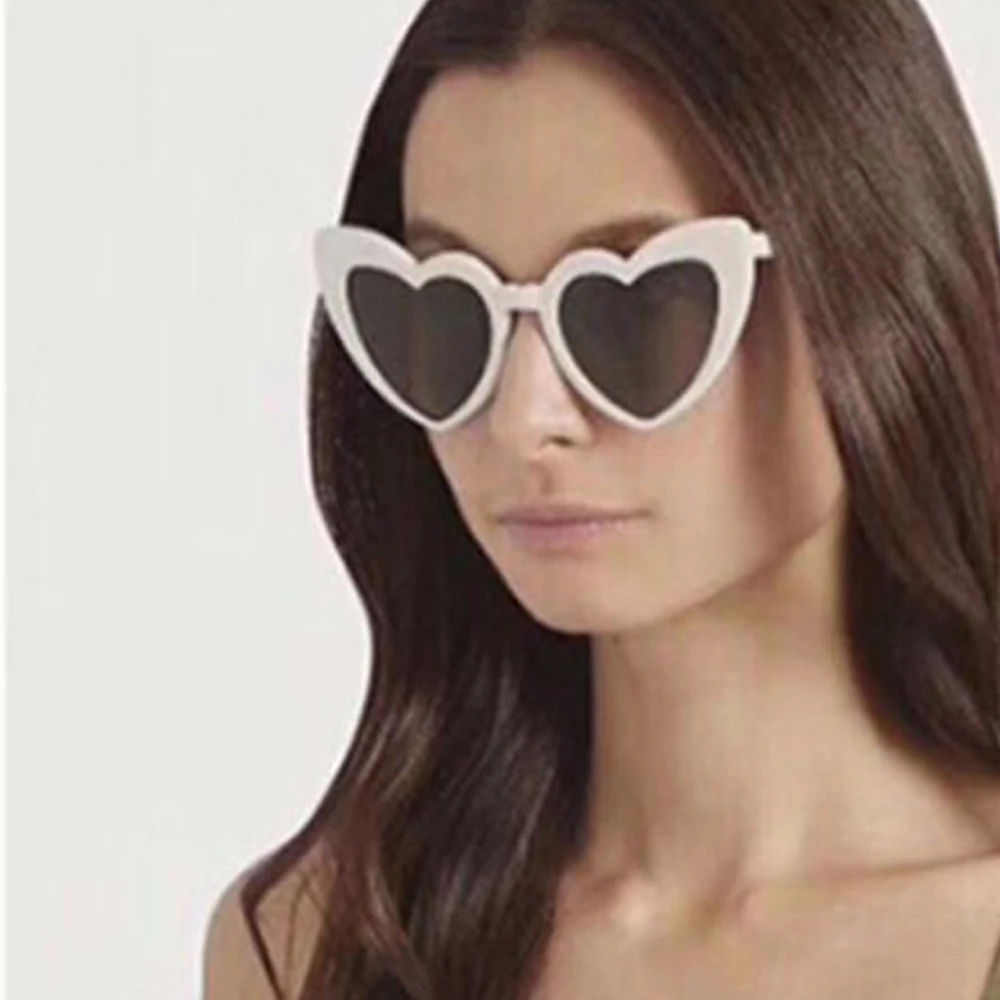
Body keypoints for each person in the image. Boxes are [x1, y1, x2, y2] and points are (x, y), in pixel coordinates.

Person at [202, 1, 1000, 998]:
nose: (522, 417)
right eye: (447, 310)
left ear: (877, 289)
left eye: (637, 300)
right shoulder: (310, 946)